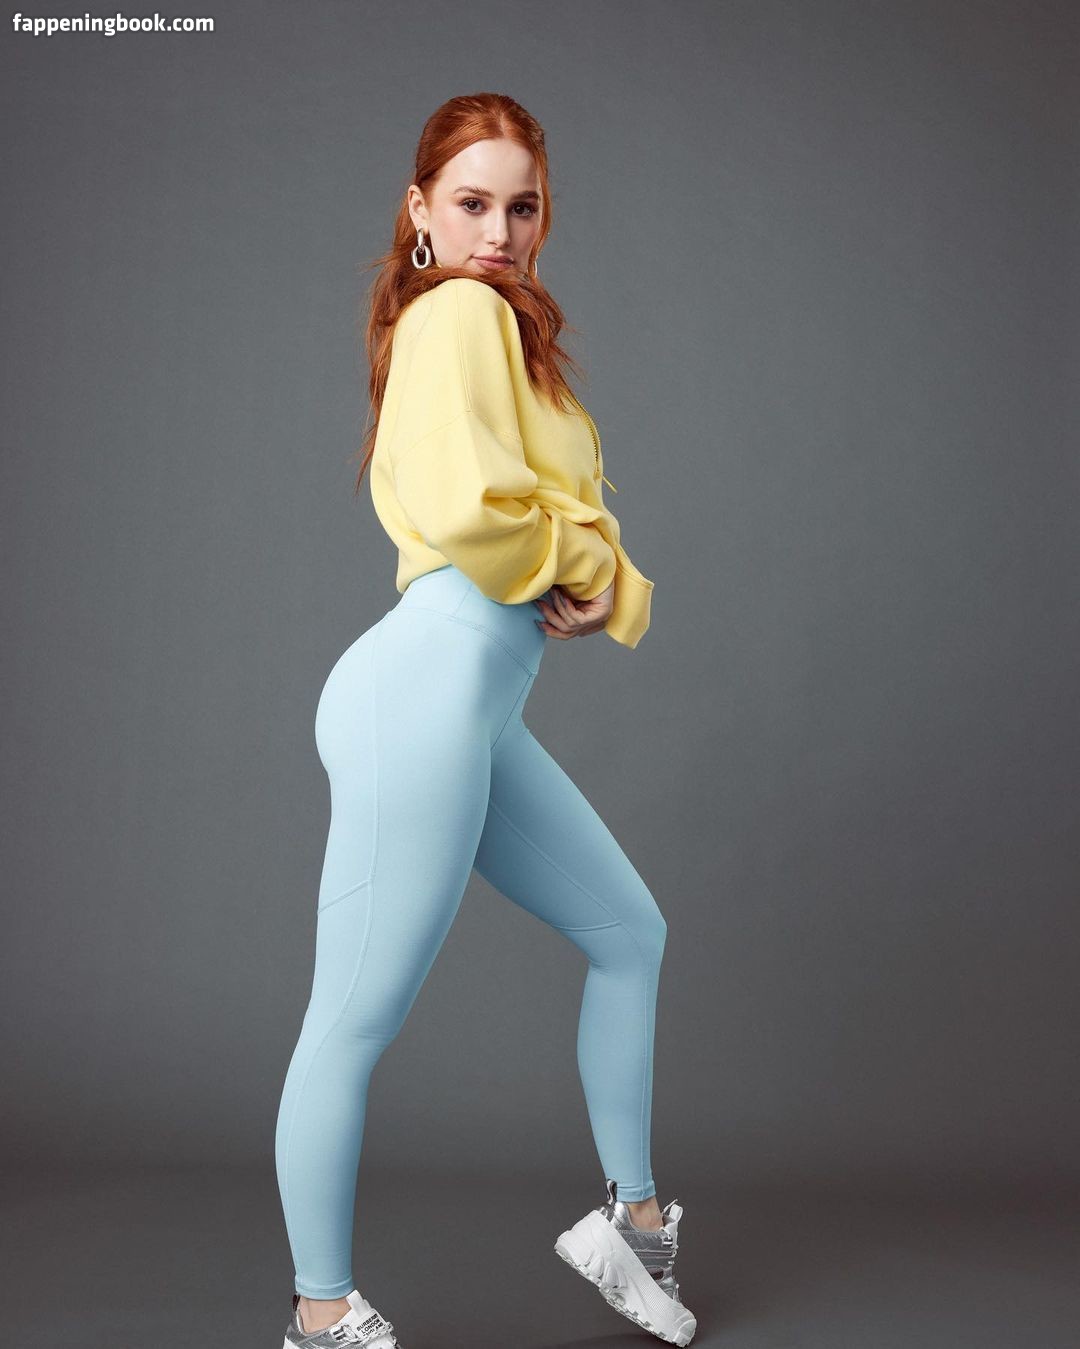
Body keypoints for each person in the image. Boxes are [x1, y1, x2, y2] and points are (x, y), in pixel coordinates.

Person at [274, 92, 697, 1349]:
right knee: (351, 1021)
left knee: (629, 932)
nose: (499, 233)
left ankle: (634, 1219)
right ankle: (320, 1312)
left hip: (468, 702)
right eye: (471, 203)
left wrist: (595, 575)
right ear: (421, 209)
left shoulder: (508, 335)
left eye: (523, 207)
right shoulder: (456, 313)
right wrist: (589, 562)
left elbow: (542, 521)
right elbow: (474, 512)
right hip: (418, 696)